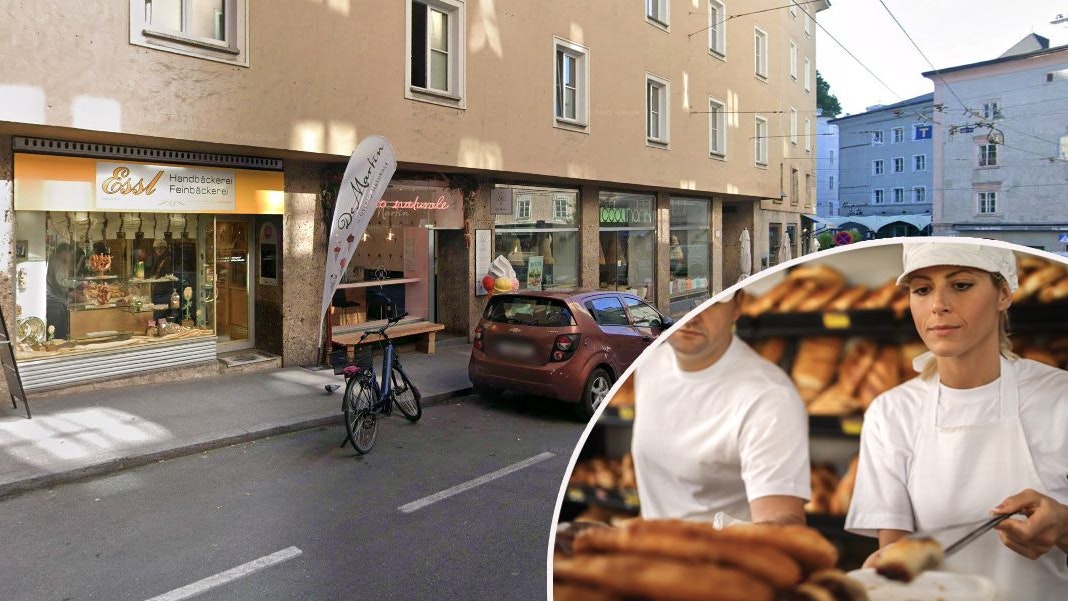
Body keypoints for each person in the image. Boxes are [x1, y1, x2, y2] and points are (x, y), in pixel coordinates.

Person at [845, 241, 1068, 599]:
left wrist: (1063, 525)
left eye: (961, 285)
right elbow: (898, 558)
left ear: (1004, 294)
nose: (938, 305)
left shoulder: (1060, 399)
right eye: (922, 289)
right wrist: (882, 575)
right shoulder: (891, 414)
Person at [631, 289, 810, 525]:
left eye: (711, 304)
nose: (691, 317)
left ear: (737, 305)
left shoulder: (769, 397)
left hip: (724, 560)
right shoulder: (650, 365)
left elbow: (785, 525)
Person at [45, 243, 76, 339]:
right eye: (69, 254)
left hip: (52, 301)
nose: (70, 256)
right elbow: (61, 282)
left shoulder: (52, 260)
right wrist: (79, 284)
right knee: (58, 333)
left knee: (53, 332)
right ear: (64, 252)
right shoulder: (57, 262)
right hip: (56, 303)